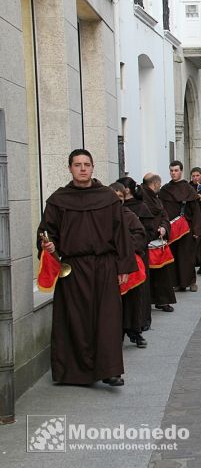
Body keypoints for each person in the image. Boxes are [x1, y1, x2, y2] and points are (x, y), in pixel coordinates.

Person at [38, 149, 136, 387]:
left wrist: (123, 266)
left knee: (108, 320)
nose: (82, 169)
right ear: (69, 168)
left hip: (104, 265)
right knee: (76, 320)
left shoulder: (108, 197)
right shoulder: (57, 200)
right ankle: (74, 372)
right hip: (72, 267)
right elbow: (46, 231)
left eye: (86, 164)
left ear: (93, 168)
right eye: (77, 164)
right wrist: (48, 244)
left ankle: (110, 371)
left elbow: (120, 233)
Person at [109, 182, 148, 348]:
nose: (118, 201)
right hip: (111, 266)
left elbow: (140, 234)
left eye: (120, 197)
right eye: (114, 197)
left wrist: (124, 245)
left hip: (129, 264)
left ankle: (135, 331)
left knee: (133, 301)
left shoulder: (129, 215)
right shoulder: (102, 216)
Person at [116, 176, 154, 335]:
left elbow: (147, 232)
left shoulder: (140, 209)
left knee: (137, 293)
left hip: (138, 255)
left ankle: (138, 324)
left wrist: (130, 245)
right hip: (118, 260)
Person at [159, 160, 201, 292]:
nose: (173, 173)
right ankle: (176, 282)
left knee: (187, 256)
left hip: (185, 228)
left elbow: (196, 211)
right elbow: (160, 209)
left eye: (176, 170)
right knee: (173, 256)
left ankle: (190, 281)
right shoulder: (165, 190)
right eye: (171, 171)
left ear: (181, 171)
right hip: (170, 228)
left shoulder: (188, 189)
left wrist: (197, 229)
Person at [140, 173, 177, 313]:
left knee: (162, 274)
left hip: (158, 241)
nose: (160, 188)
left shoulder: (155, 198)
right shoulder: (142, 198)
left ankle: (162, 301)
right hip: (146, 242)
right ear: (155, 184)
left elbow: (163, 215)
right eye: (159, 185)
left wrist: (164, 227)